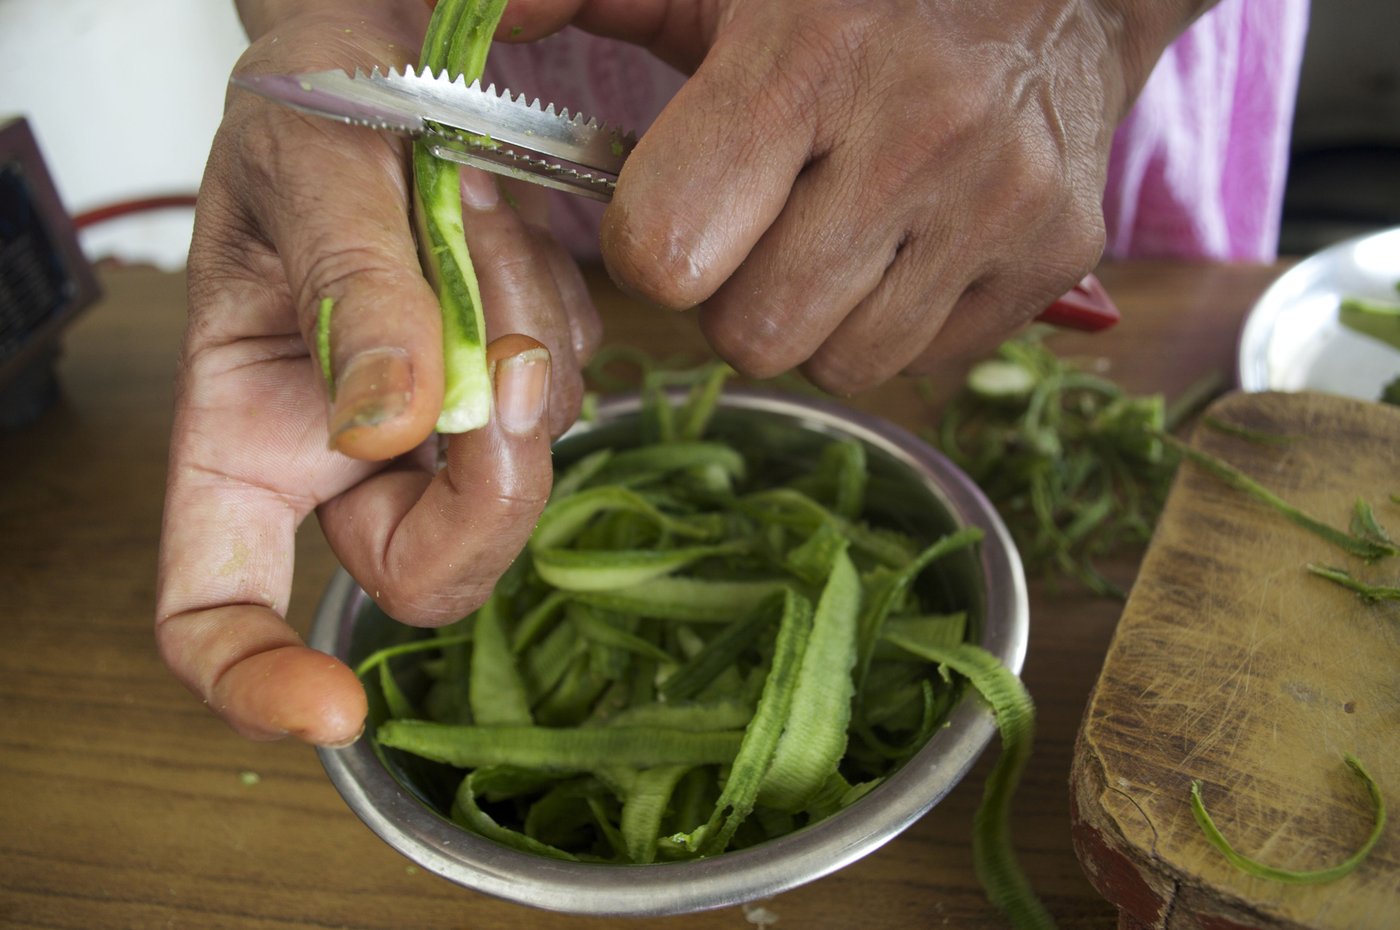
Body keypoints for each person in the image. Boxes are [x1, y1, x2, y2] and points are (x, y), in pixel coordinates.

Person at [156, 0, 1308, 747]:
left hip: (998, 77)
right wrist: (342, 16)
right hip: (516, 133)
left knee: (982, 265)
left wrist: (1097, 19)